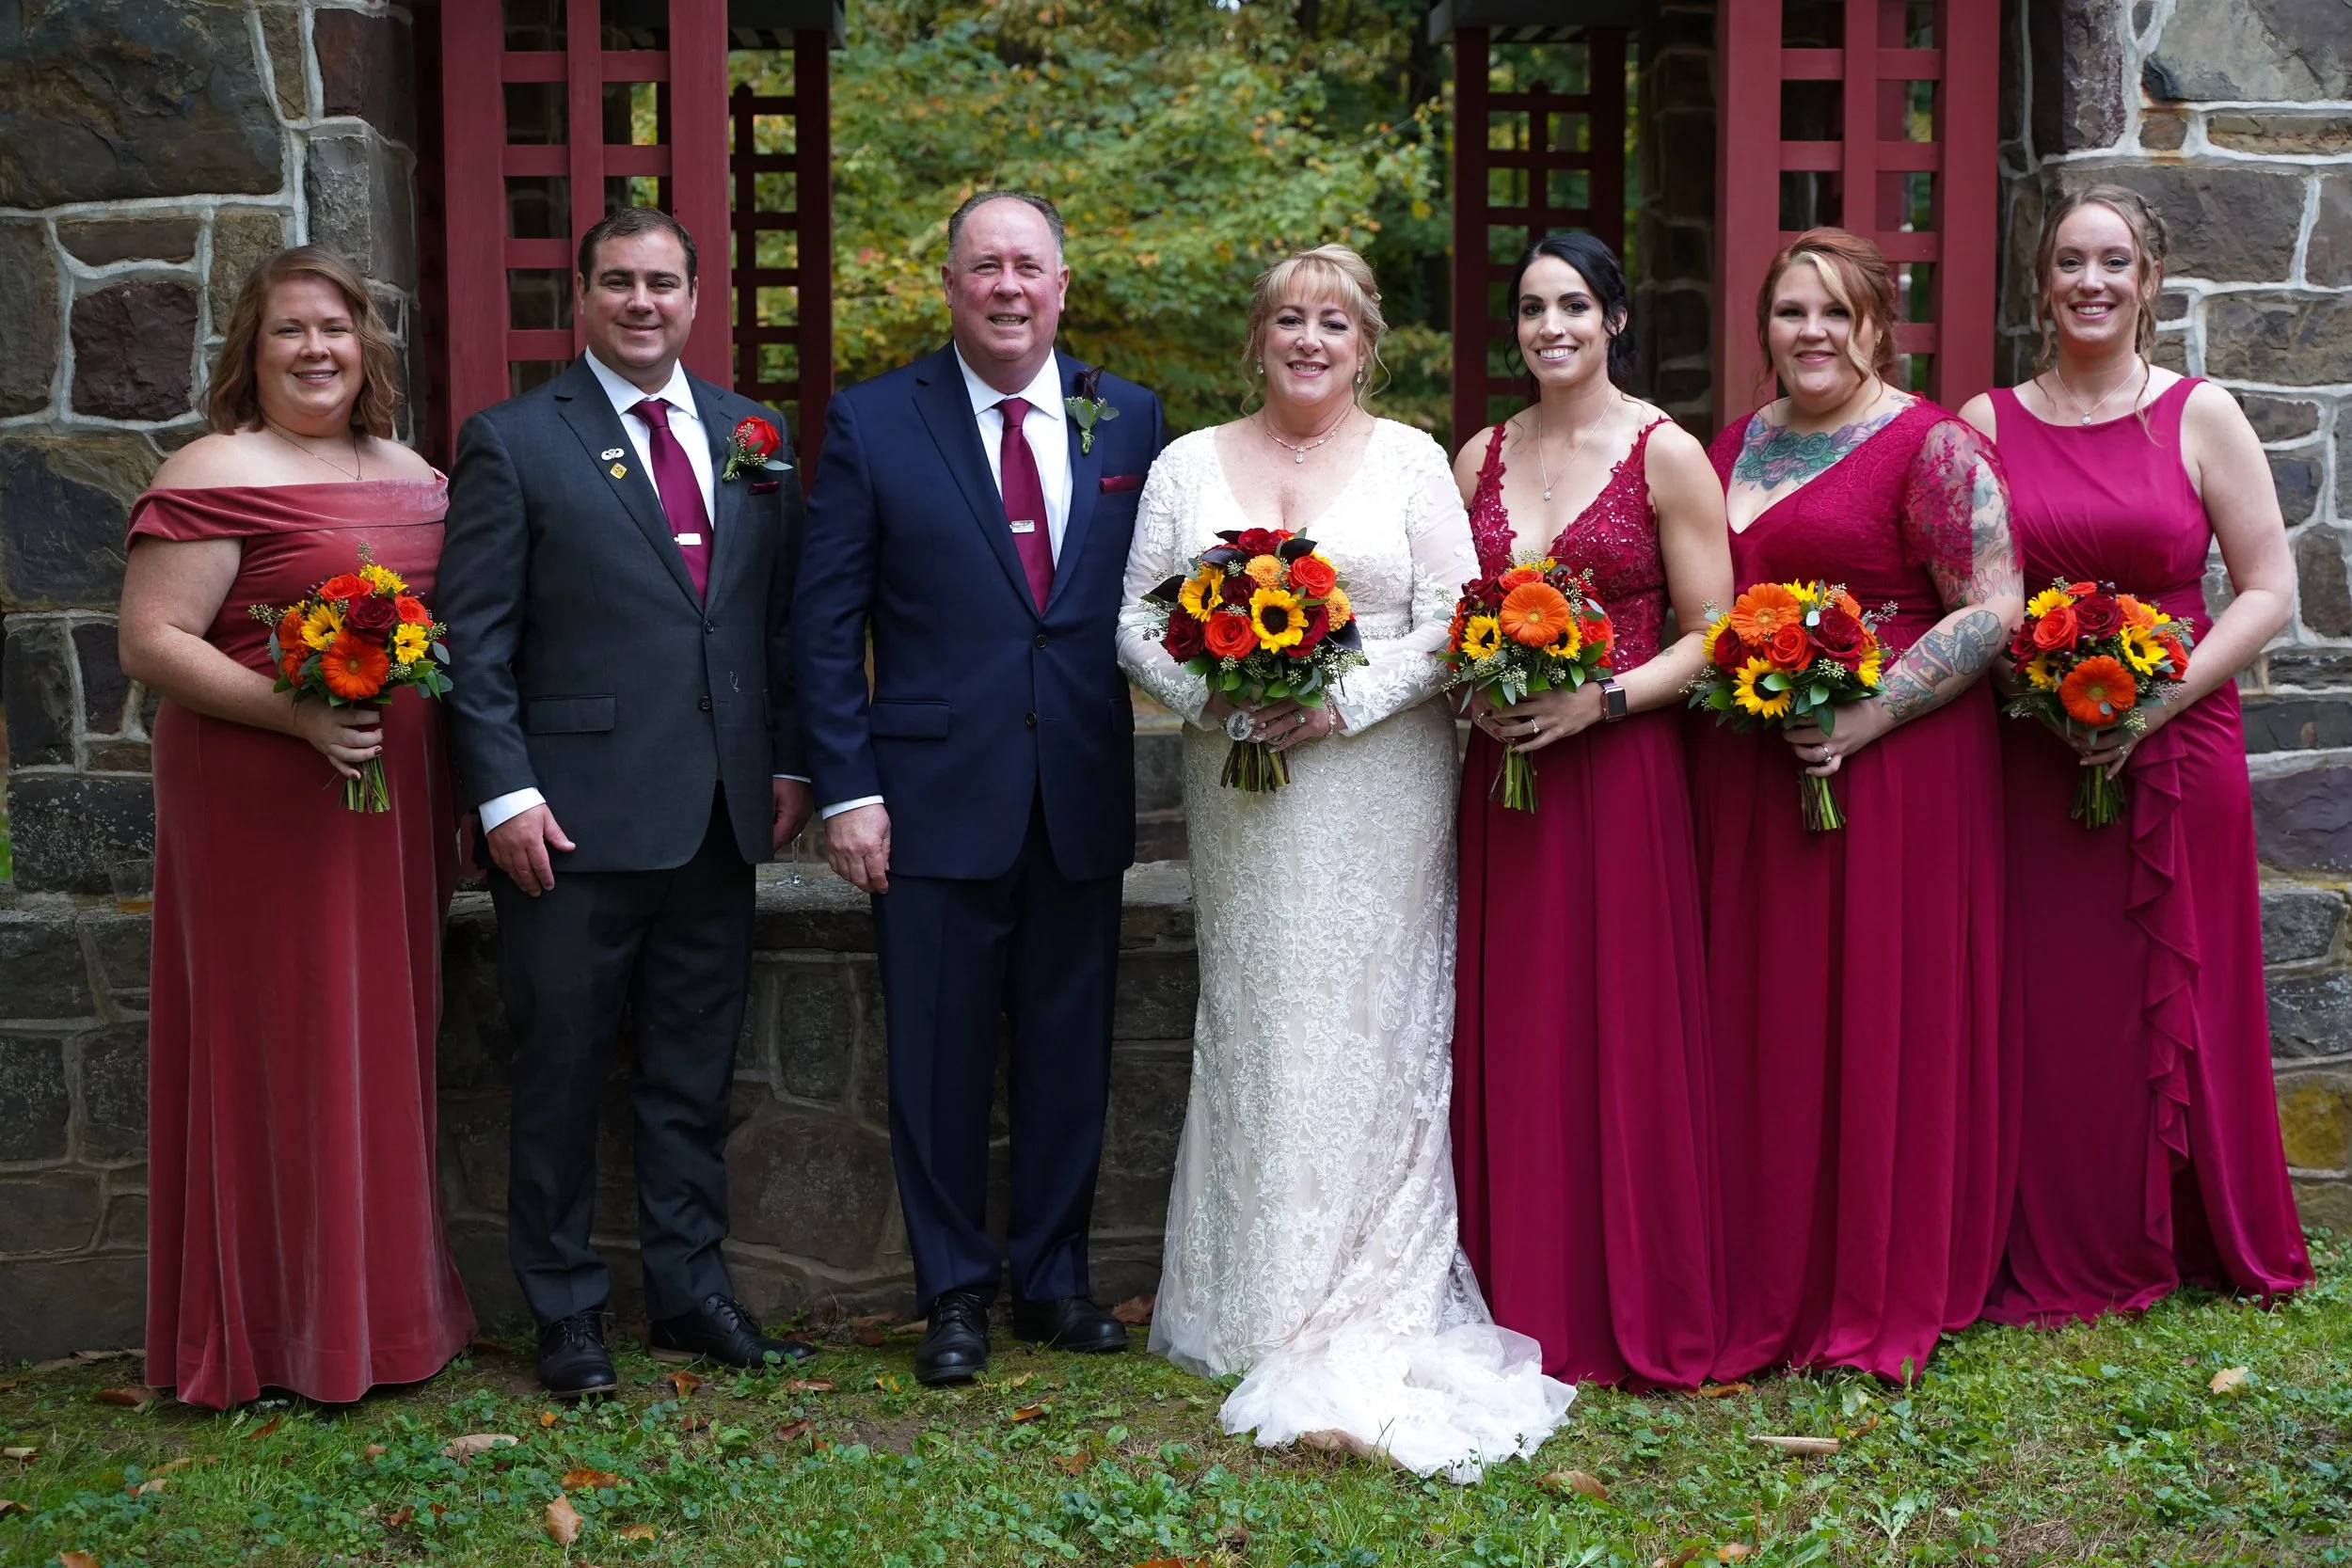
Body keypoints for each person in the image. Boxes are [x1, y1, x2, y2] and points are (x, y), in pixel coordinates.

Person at [1117, 244, 1572, 1481]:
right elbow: (1135, 620)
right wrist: (1218, 693)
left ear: (1365, 344)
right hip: (1241, 771)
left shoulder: (1412, 459)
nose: (1308, 340)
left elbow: (1453, 617)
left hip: (1379, 775)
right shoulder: (1186, 463)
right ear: (1257, 338)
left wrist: (1341, 699)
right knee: (1261, 1014)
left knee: (1369, 1015)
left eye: (1332, 322)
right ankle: (1250, 1300)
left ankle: (1368, 1282)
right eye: (1287, 319)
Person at [437, 207, 817, 1398]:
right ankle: (564, 1311)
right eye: (617, 282)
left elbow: (776, 617)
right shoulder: (513, 439)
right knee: (559, 1071)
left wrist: (789, 761)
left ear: (695, 298)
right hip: (570, 823)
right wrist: (503, 793)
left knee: (691, 1075)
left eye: (661, 282)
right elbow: (474, 640)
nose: (640, 302)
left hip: (718, 815)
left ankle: (691, 1293)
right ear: (584, 298)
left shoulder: (754, 434)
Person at [794, 191, 1167, 1386]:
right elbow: (825, 623)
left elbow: (1158, 600)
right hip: (930, 796)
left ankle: (1054, 1280)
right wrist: (848, 789)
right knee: (937, 1060)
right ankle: (953, 1290)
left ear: (1062, 285)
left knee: (1069, 1051)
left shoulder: (1129, 416)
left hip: (1077, 792)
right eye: (984, 266)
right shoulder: (872, 421)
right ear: (950, 284)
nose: (1008, 286)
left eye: (1028, 266)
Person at [120, 245, 472, 1407]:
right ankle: (276, 1332)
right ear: (252, 348)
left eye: (335, 326)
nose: (316, 348)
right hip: (261, 796)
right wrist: (296, 713)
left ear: (366, 343)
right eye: (289, 329)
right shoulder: (213, 468)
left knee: (379, 1038)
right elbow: (151, 642)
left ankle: (381, 1317)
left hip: (387, 801)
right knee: (287, 1038)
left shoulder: (414, 470)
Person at [1960, 186, 2312, 1323]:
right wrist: (2040, 697)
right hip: (2041, 744)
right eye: (2070, 261)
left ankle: (2197, 1223)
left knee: (2188, 979)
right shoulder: (1983, 422)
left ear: (2149, 281)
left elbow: (2267, 588)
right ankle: (2065, 1225)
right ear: (2041, 283)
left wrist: (2153, 702)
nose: (2091, 282)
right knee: (2059, 993)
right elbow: (1970, 598)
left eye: (2114, 261)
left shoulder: (2200, 413)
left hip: (2180, 727)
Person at [1694, 229, 2024, 1384]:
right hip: (1758, 764)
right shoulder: (1732, 444)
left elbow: (1992, 604)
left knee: (1876, 1016)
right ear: (1765, 327)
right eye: (1791, 311)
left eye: (1836, 311)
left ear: (1878, 324)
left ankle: (1877, 1270)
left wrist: (1867, 713)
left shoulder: (1930, 446)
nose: (1812, 333)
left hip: (1893, 772)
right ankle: (1764, 1257)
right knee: (1773, 1017)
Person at [1449, 233, 1734, 1389]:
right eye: (1530, 308)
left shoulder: (1666, 454)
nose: (1549, 327)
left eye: (1572, 305)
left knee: (1617, 1025)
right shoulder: (1478, 455)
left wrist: (1601, 698)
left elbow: (1714, 634)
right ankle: (1515, 1280)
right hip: (1506, 780)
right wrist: (1478, 684)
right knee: (1520, 1025)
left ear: (1614, 319)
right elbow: (1450, 613)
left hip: (1619, 774)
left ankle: (1628, 1287)